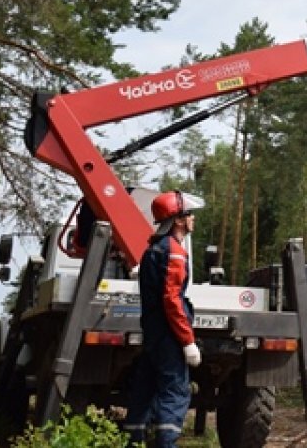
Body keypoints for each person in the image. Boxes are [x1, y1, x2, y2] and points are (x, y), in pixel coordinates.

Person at [123, 191, 201, 447]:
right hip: (169, 336)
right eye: (189, 214)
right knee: (174, 393)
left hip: (153, 334)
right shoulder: (174, 252)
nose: (193, 219)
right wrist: (187, 341)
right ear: (178, 220)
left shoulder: (153, 250)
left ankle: (134, 441)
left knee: (145, 390)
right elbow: (172, 299)